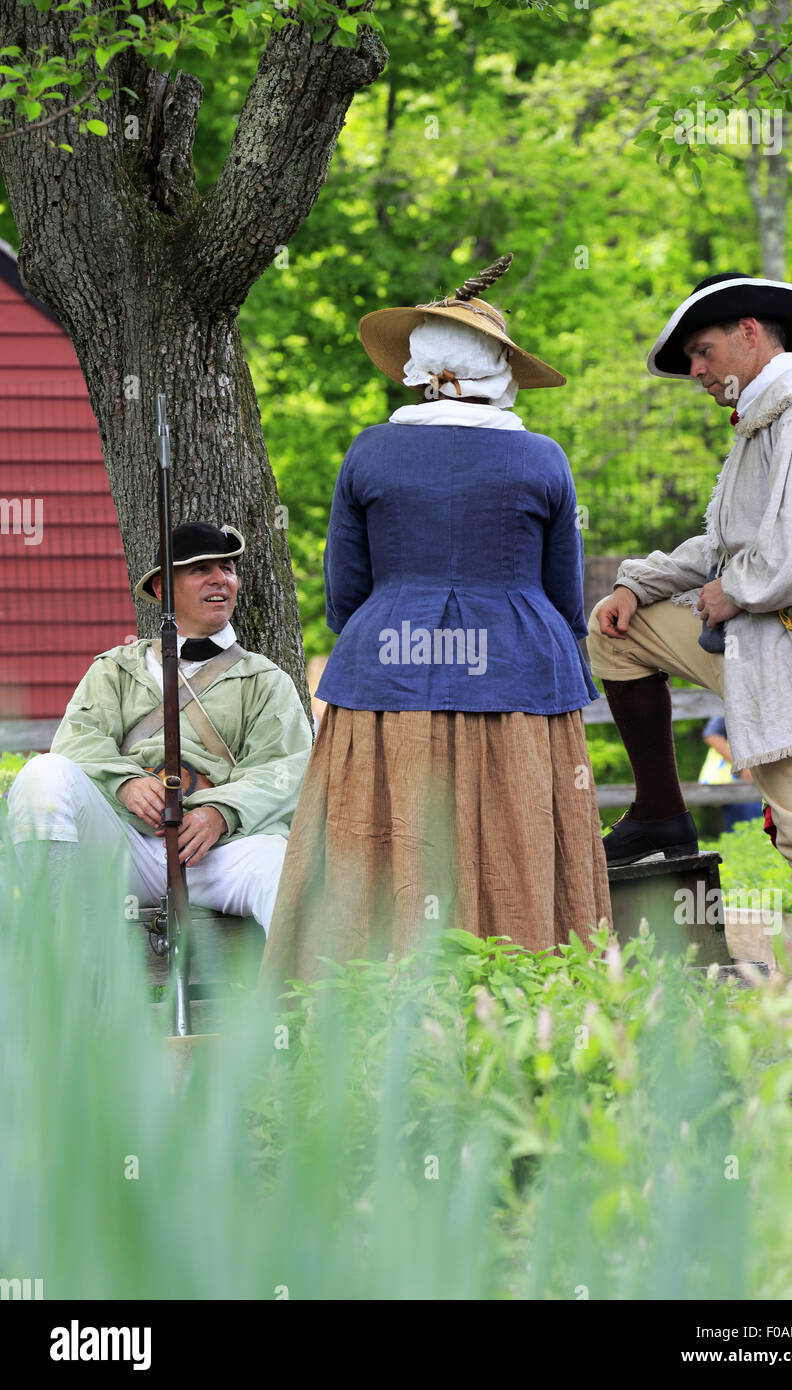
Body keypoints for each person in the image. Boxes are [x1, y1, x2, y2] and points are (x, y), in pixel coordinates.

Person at [259, 254, 612, 992]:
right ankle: (530, 997)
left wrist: (385, 641)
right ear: (497, 371)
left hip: (389, 669)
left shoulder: (369, 451)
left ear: (420, 370)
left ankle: (372, 1006)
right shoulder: (543, 458)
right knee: (518, 841)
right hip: (522, 674)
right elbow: (562, 594)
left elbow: (346, 590)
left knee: (387, 840)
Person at [586, 272, 792, 999]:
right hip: (752, 646)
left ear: (750, 330)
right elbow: (720, 544)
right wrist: (638, 582)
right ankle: (662, 815)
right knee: (618, 630)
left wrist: (730, 592)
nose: (698, 373)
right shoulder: (764, 420)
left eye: (703, 353)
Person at [7, 522, 312, 934]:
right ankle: (56, 953)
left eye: (227, 568)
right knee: (42, 775)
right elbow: (77, 742)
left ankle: (299, 999)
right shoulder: (115, 669)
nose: (220, 578)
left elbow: (285, 771)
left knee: (285, 875)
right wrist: (126, 784)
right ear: (162, 590)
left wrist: (221, 812)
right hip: (123, 847)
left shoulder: (266, 680)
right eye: (200, 569)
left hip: (219, 852)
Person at [700, 715, 763, 833]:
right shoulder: (732, 701)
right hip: (742, 779)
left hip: (761, 776)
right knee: (745, 831)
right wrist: (742, 766)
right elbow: (711, 735)